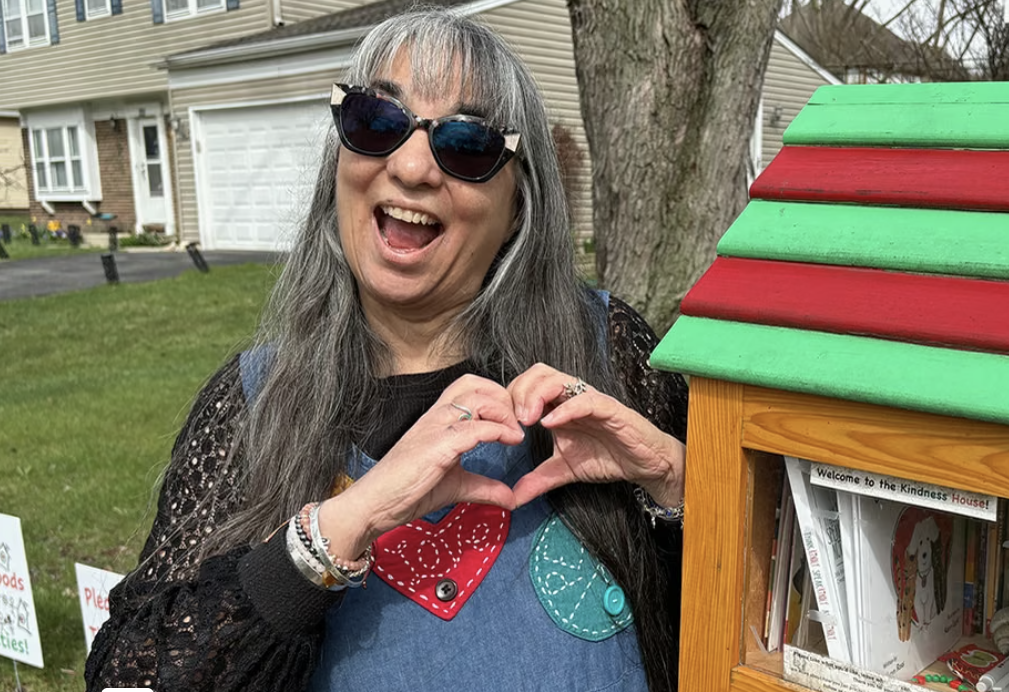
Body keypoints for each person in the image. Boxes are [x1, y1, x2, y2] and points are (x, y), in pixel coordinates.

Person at [85, 9, 688, 692]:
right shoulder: (255, 403)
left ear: (518, 205)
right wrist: (338, 531)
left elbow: (759, 614)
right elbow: (129, 677)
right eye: (377, 121)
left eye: (466, 142)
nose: (410, 167)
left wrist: (677, 483)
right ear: (339, 161)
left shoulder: (607, 352)